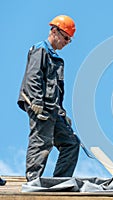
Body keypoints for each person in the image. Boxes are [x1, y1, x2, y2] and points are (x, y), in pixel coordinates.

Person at [17, 15, 80, 182]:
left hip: (53, 110)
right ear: (54, 31)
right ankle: (33, 181)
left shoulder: (57, 59)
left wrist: (62, 112)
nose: (67, 42)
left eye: (69, 40)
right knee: (41, 142)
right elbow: (33, 77)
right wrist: (36, 102)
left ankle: (60, 182)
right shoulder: (40, 50)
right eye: (66, 37)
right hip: (40, 106)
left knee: (71, 143)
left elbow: (56, 91)